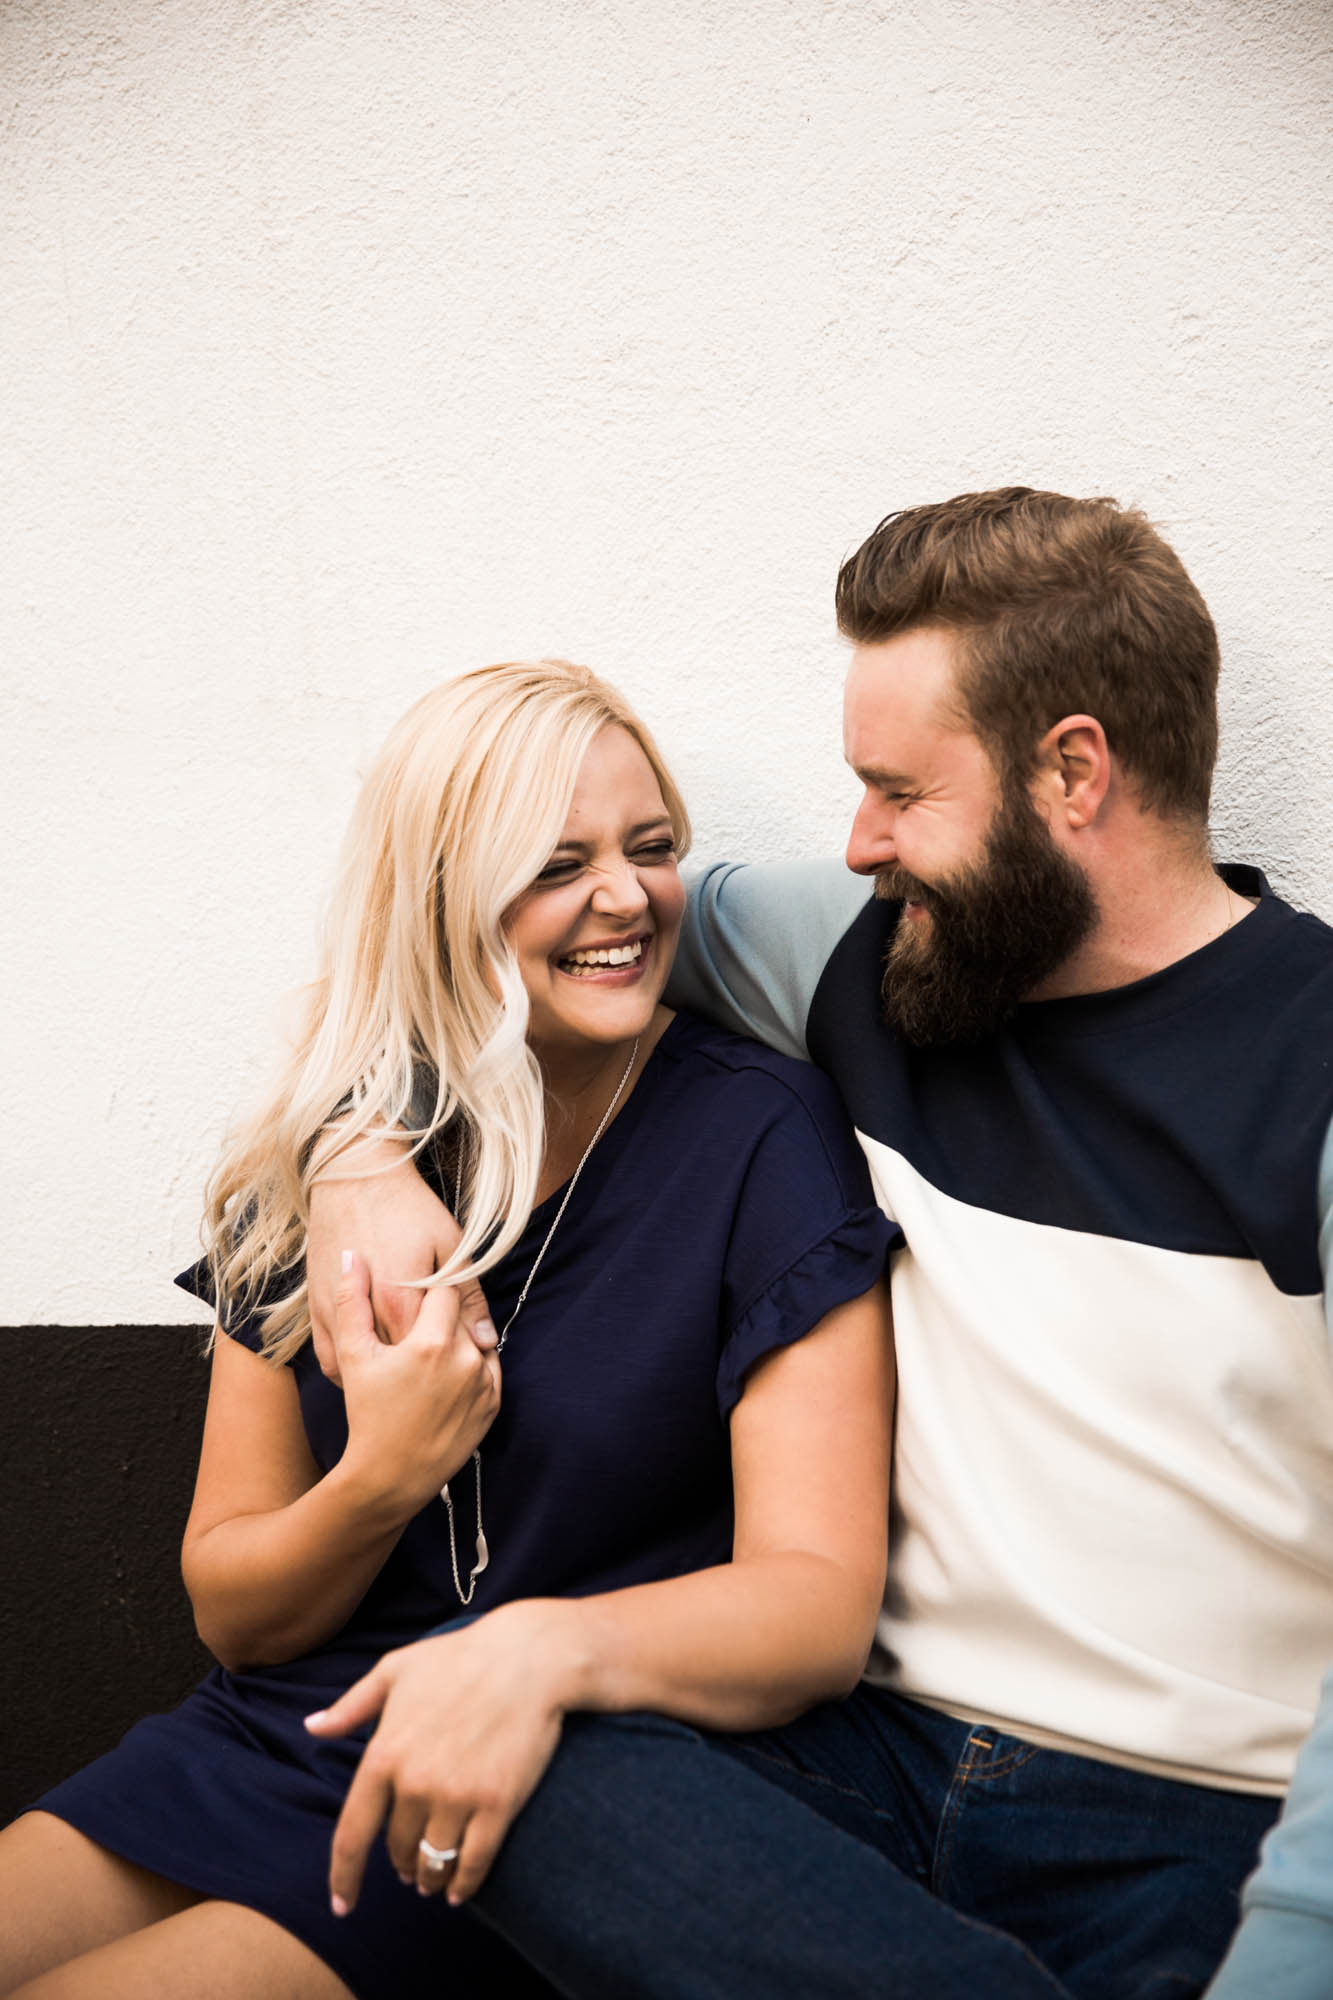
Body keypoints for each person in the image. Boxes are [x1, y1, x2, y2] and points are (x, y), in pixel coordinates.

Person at [306, 490, 1333, 1999]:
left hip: (1197, 1820)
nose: (855, 842)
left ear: (1071, 772)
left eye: (896, 792)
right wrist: (359, 1152)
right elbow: (489, 945)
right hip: (873, 1767)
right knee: (505, 1761)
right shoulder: (861, 953)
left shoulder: (1310, 1068)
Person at [0, 660, 895, 2000]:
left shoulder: (757, 1135)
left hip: (530, 1781)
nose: (624, 899)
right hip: (278, 1733)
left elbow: (816, 1609)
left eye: (649, 850)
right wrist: (381, 1478)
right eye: (556, 863)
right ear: (442, 896)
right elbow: (234, 1611)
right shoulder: (331, 1151)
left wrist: (514, 1659)